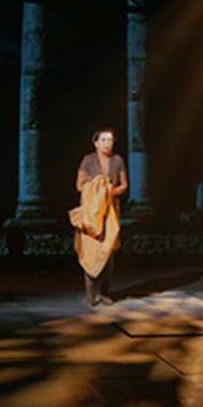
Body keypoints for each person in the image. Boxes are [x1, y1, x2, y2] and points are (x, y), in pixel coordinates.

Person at [75, 127, 129, 307]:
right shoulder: (88, 160)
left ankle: (105, 293)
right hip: (92, 210)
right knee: (90, 251)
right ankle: (90, 293)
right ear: (96, 143)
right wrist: (97, 188)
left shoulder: (117, 160)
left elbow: (124, 185)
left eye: (110, 140)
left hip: (110, 210)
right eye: (104, 140)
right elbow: (79, 185)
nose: (108, 143)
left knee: (108, 250)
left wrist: (109, 191)